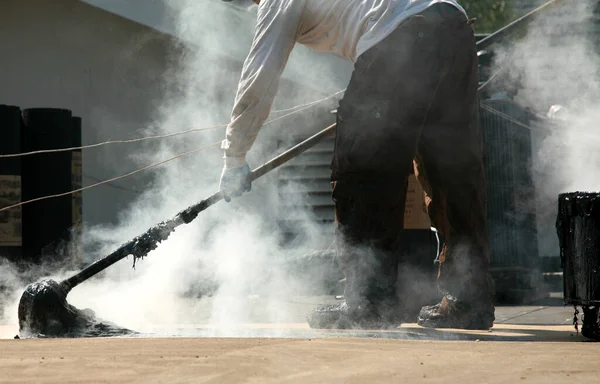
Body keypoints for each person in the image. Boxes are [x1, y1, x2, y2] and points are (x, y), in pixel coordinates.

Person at [218, 0, 496, 330]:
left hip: (402, 34)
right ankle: (469, 299)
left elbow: (259, 75)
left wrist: (234, 157)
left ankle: (369, 301)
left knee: (362, 166)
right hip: (452, 24)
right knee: (450, 169)